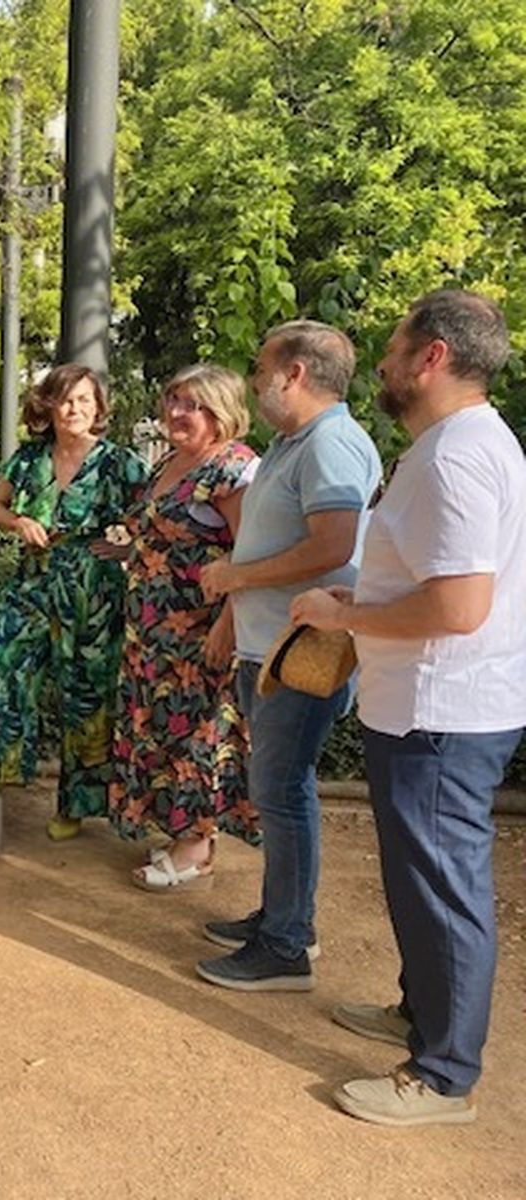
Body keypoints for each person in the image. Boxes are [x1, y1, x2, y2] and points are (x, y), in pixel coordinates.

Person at [292, 290, 525, 1127]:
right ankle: (421, 1015)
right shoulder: (456, 445)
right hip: (431, 708)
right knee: (420, 879)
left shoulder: (455, 456)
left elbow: (459, 606)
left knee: (441, 888)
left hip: (442, 713)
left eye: (394, 348)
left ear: (431, 357)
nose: (383, 364)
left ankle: (443, 1075)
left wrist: (342, 616)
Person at [195, 321, 380, 990]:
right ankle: (282, 915)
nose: (253, 378)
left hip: (303, 650)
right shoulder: (295, 442)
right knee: (275, 788)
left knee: (282, 788)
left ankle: (286, 944)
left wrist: (236, 580)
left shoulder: (330, 443)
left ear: (295, 373)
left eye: (260, 366)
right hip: (271, 645)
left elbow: (334, 545)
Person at [0, 365, 148, 838]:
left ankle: (75, 805)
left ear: (99, 409)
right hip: (33, 580)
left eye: (85, 401)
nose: (74, 410)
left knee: (86, 694)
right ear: (48, 405)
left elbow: (157, 518)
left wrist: (128, 547)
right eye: (66, 400)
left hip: (93, 588)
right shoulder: (30, 458)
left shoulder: (120, 462)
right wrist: (16, 523)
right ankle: (4, 769)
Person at [108, 364, 259, 888]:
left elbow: (250, 553)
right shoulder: (171, 462)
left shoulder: (233, 468)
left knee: (198, 738)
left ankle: (196, 848)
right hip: (152, 633)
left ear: (221, 411)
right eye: (173, 400)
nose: (176, 412)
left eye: (192, 404)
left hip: (199, 632)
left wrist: (226, 627)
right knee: (162, 733)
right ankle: (184, 836)